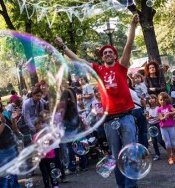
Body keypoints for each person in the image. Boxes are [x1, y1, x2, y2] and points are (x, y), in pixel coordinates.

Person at [55, 13, 139, 188]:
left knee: (130, 153)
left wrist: (132, 25)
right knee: (116, 156)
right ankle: (121, 186)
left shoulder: (121, 67)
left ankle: (132, 185)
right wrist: (63, 46)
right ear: (102, 58)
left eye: (110, 52)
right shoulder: (98, 70)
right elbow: (78, 60)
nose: (107, 54)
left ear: (115, 56)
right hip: (109, 121)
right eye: (105, 53)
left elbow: (129, 45)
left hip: (126, 117)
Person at [157, 92, 175, 165]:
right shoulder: (159, 109)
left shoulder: (169, 106)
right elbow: (160, 118)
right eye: (161, 100)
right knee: (168, 143)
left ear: (167, 99)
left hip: (171, 127)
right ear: (159, 101)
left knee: (173, 142)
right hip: (163, 128)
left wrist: (169, 113)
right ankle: (170, 157)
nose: (162, 101)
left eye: (164, 99)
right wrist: (164, 117)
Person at [145, 94, 166, 161]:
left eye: (152, 98)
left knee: (159, 139)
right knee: (153, 141)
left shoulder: (158, 108)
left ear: (155, 99)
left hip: (157, 124)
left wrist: (155, 117)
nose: (151, 100)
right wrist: (148, 118)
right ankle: (157, 154)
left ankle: (168, 150)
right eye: (149, 98)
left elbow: (161, 116)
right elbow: (147, 117)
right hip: (151, 125)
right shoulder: (148, 108)